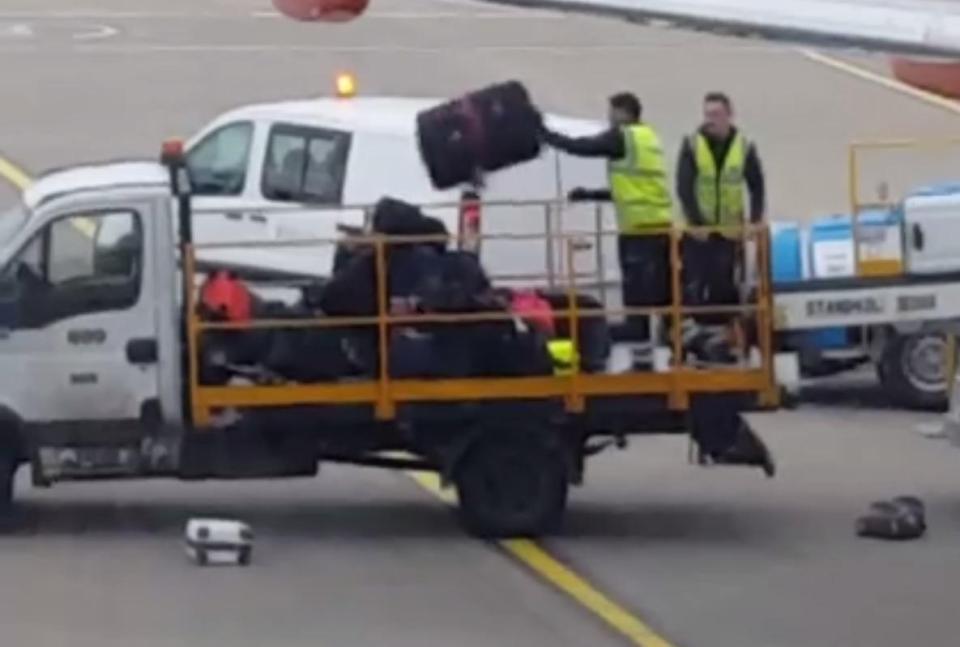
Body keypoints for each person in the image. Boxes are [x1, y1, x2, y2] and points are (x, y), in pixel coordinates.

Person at [539, 92, 673, 358]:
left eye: (612, 113)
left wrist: (545, 135)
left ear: (623, 113)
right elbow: (633, 189)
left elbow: (582, 147)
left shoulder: (622, 137)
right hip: (657, 223)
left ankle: (638, 332)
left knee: (637, 288)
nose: (609, 119)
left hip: (638, 228)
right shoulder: (648, 138)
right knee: (659, 287)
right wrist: (590, 194)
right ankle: (665, 333)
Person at [676, 91, 766, 324]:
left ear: (729, 115)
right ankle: (696, 331)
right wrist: (695, 222)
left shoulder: (744, 147)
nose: (710, 120)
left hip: (729, 230)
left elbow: (757, 185)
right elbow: (684, 186)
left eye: (715, 114)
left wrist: (755, 220)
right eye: (707, 114)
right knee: (694, 282)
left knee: (725, 283)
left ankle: (727, 332)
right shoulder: (692, 145)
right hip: (699, 231)